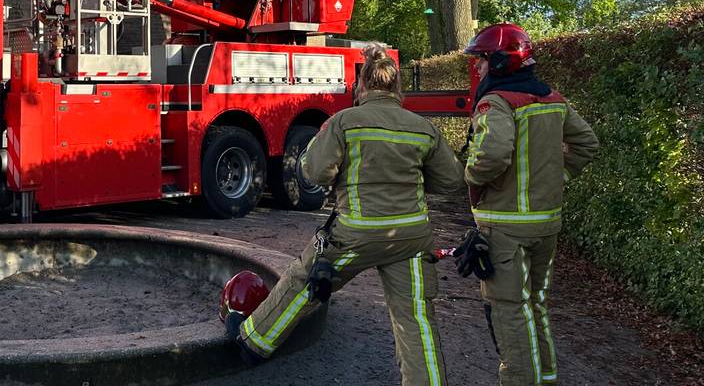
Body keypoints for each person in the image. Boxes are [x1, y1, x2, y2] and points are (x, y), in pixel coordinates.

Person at [232, 43, 463, 385]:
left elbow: (314, 172)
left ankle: (254, 342)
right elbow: (452, 180)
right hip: (412, 238)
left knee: (303, 280)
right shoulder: (422, 127)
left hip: (356, 233)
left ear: (362, 85)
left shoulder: (344, 122)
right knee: (416, 318)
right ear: (396, 86)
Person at [462, 23, 599, 386]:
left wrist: (472, 179)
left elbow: (490, 155)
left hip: (506, 225)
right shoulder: (553, 98)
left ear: (503, 62)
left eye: (483, 60)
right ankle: (546, 377)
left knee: (508, 311)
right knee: (535, 303)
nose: (478, 68)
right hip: (546, 224)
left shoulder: (498, 102)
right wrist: (557, 179)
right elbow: (586, 144)